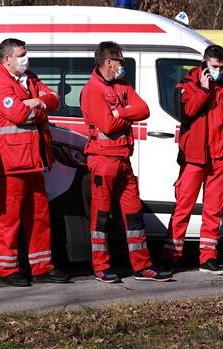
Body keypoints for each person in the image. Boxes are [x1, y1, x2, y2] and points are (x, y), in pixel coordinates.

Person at [81, 42, 169, 283]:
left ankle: (142, 267)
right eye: (120, 60)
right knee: (101, 218)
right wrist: (125, 115)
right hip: (102, 160)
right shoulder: (92, 90)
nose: (123, 65)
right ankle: (101, 267)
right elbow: (107, 125)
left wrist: (120, 113)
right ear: (109, 62)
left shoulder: (122, 86)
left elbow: (144, 109)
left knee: (134, 215)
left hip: (122, 160)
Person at [0, 38, 70, 287]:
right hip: (11, 163)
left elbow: (54, 98)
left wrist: (37, 102)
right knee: (9, 219)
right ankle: (8, 269)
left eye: (25, 53)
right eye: (21, 54)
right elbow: (18, 113)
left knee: (39, 216)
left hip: (34, 160)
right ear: (6, 59)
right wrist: (37, 106)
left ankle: (42, 266)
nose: (26, 58)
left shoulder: (30, 77)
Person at [161, 45, 223, 275]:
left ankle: (208, 258)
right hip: (193, 157)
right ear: (204, 62)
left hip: (219, 157)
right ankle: (171, 256)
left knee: (214, 211)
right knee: (183, 208)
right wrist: (204, 89)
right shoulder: (186, 86)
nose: (218, 70)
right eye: (214, 66)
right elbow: (185, 114)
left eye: (221, 66)